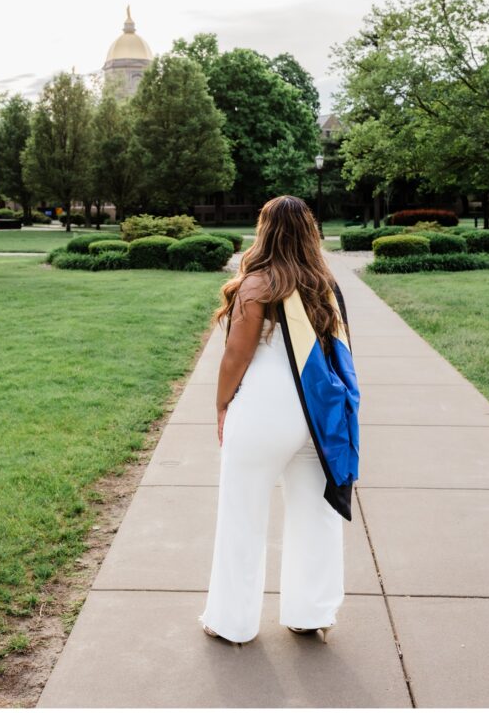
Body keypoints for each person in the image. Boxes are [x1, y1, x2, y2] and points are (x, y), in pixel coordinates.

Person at [198, 195, 349, 645]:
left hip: (264, 412)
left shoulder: (257, 284)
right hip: (316, 415)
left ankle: (233, 622)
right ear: (310, 232)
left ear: (264, 231)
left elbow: (235, 356)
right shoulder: (326, 286)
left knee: (242, 515)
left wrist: (222, 405)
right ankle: (311, 613)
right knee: (315, 514)